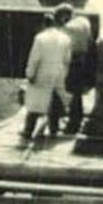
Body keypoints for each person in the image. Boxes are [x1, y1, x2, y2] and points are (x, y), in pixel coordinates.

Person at [23, 10, 74, 143]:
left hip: (42, 73)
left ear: (43, 24)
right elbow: (67, 59)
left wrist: (30, 73)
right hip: (58, 72)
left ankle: (28, 131)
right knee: (55, 102)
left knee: (35, 104)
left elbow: (35, 58)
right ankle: (54, 130)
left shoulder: (40, 38)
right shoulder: (65, 38)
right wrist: (65, 74)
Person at [61, 8, 96, 136]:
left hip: (72, 62)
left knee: (70, 94)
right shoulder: (84, 21)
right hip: (84, 62)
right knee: (77, 94)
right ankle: (76, 120)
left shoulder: (67, 28)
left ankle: (71, 124)